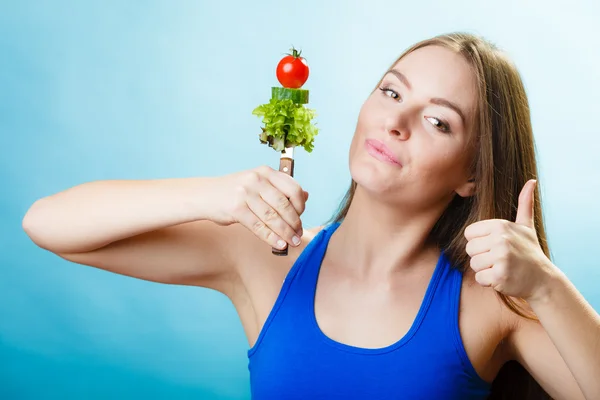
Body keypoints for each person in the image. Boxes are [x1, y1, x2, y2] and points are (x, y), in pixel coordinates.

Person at [22, 32, 599, 400]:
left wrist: (547, 287)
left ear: (472, 175)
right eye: (392, 93)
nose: (396, 122)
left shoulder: (491, 300)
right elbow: (46, 223)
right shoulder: (265, 259)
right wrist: (214, 196)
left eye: (438, 121)